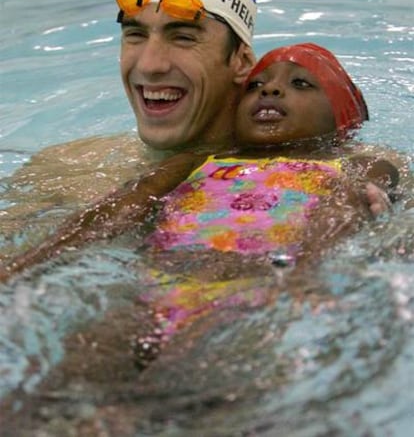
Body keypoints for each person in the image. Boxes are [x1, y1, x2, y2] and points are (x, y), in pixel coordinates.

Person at [0, 0, 396, 257]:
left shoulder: (350, 175)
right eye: (135, 35)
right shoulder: (65, 170)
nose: (150, 65)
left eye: (183, 36)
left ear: (241, 62)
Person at [0, 42, 400, 283]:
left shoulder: (363, 163)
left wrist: (302, 275)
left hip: (262, 279)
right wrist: (31, 261)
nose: (271, 89)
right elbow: (128, 205)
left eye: (300, 84)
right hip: (160, 278)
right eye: (256, 86)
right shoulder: (202, 160)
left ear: (342, 116)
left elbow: (344, 209)